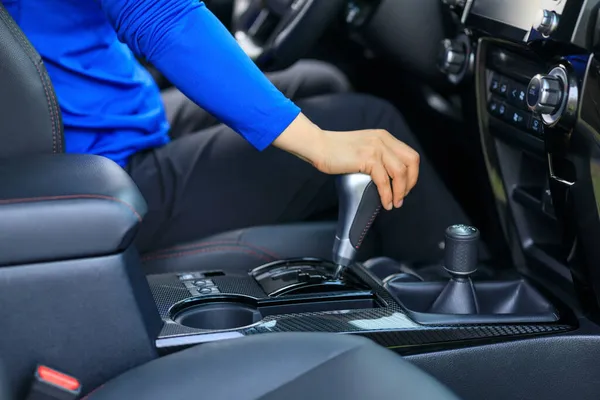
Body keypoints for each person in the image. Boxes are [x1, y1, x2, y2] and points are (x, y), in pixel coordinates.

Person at [5, 0, 468, 264]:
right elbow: (161, 18)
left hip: (93, 126)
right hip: (95, 174)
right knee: (370, 121)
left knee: (321, 82)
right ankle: (465, 293)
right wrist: (320, 144)